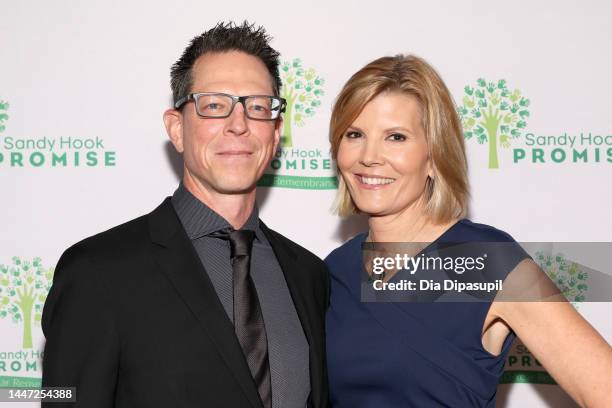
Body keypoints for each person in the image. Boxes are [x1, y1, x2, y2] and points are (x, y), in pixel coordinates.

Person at [42, 21, 329, 408]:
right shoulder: (97, 272)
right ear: (177, 129)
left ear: (275, 134)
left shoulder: (309, 275)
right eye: (214, 105)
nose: (239, 124)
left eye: (258, 107)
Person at [325, 54, 612, 407]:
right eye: (355, 134)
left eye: (396, 137)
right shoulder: (335, 270)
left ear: (433, 156)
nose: (369, 156)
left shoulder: (487, 260)